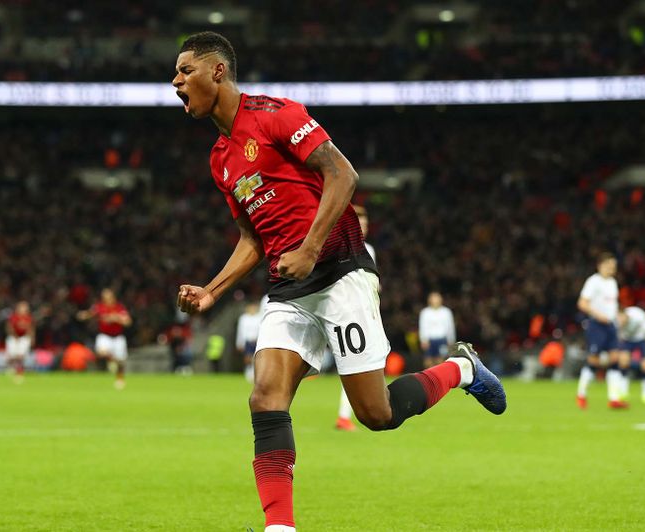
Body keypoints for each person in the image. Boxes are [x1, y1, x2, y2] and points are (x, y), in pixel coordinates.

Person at [172, 31, 506, 532]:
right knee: (265, 396)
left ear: (217, 71)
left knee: (377, 413)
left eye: (185, 70)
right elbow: (253, 238)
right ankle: (280, 527)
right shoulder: (221, 159)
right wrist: (212, 289)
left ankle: (461, 368)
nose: (175, 82)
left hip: (340, 273)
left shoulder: (277, 113)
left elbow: (343, 175)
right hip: (289, 288)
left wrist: (309, 249)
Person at [334, 204, 377, 432]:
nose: (364, 226)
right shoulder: (339, 247)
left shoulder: (369, 249)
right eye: (359, 222)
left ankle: (344, 416)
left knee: (356, 368)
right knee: (356, 367)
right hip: (342, 314)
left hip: (359, 315)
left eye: (366, 222)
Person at [576, 253, 626, 409]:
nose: (612, 269)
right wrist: (599, 315)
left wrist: (618, 316)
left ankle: (614, 398)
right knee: (594, 360)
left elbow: (612, 305)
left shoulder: (612, 282)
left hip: (610, 325)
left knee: (614, 358)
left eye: (613, 266)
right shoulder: (593, 281)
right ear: (600, 265)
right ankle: (581, 394)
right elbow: (582, 303)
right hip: (596, 325)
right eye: (609, 266)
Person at [77, 288, 131, 389]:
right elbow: (90, 313)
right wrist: (83, 315)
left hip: (117, 337)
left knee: (121, 361)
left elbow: (127, 321)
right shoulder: (99, 307)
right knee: (101, 352)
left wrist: (115, 318)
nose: (106, 299)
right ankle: (111, 361)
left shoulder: (119, 308)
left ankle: (119, 379)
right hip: (104, 336)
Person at [616, 306, 645, 404]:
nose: (620, 321)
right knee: (623, 362)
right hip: (627, 340)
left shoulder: (638, 316)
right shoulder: (616, 320)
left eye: (621, 318)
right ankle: (623, 392)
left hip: (641, 339)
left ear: (625, 315)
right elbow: (618, 333)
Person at [418, 292, 456, 369]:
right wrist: (423, 340)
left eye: (437, 298)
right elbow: (422, 326)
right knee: (428, 361)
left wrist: (451, 340)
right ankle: (428, 378)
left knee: (441, 361)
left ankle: (438, 379)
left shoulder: (446, 312)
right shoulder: (425, 312)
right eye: (433, 298)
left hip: (442, 340)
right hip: (429, 340)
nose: (435, 300)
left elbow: (450, 327)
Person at [5, 301, 35, 383]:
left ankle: (19, 371)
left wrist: (32, 338)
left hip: (24, 337)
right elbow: (9, 327)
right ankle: (10, 369)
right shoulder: (13, 317)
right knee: (12, 356)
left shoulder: (28, 318)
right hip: (13, 337)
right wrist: (15, 337)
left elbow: (30, 329)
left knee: (21, 356)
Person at [236, 302, 262, 383]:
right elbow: (240, 330)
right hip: (247, 340)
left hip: (256, 340)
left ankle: (254, 373)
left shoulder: (259, 317)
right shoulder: (244, 318)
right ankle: (248, 371)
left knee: (256, 358)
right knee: (247, 358)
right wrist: (239, 342)